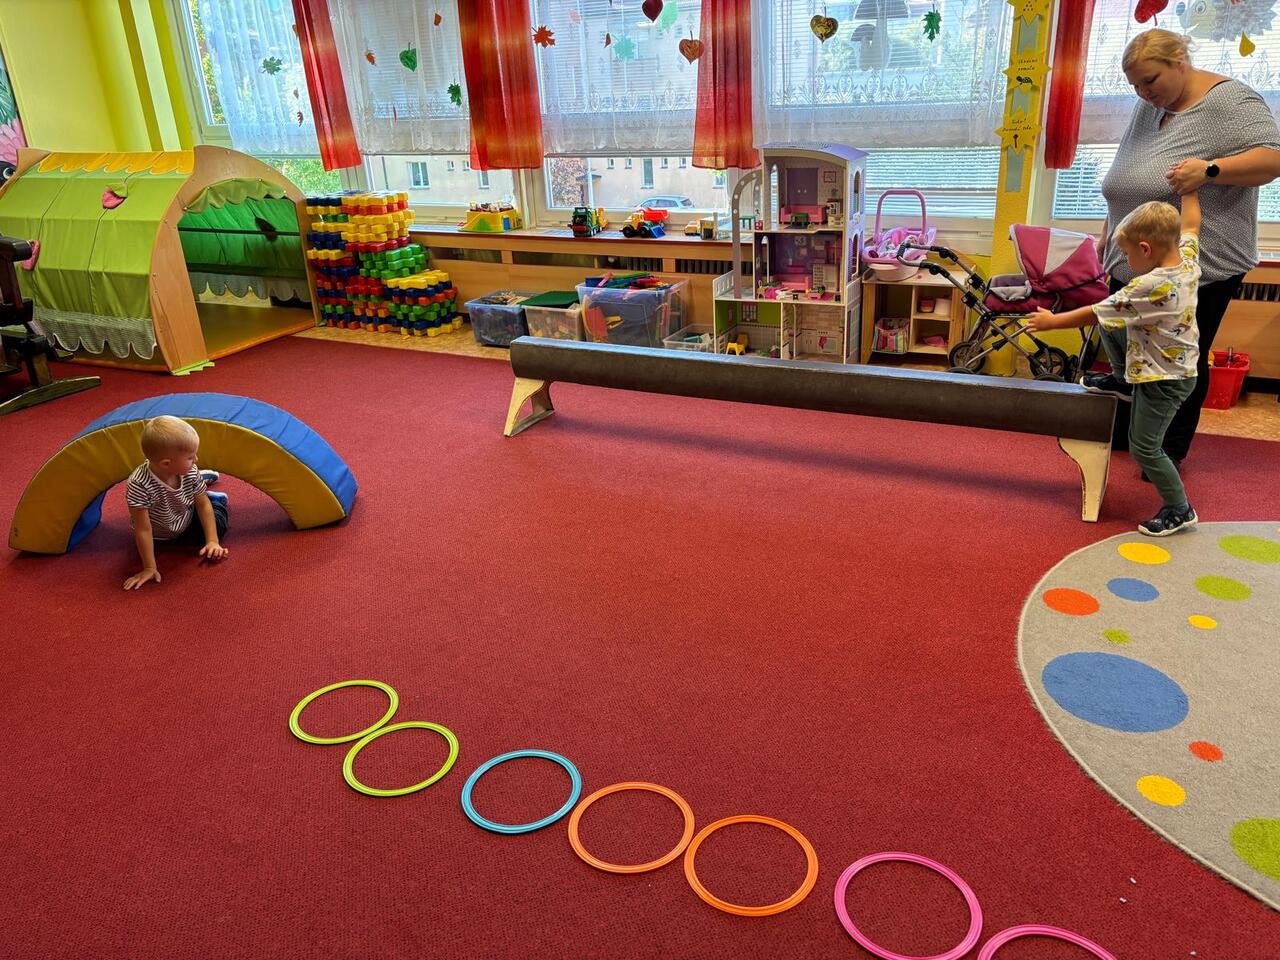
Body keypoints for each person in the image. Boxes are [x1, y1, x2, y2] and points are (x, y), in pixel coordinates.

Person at [1097, 28, 1280, 467]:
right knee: (1132, 352)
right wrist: (1109, 228)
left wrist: (1211, 170)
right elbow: (1128, 174)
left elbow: (1274, 159)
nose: (1143, 93)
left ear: (1180, 59)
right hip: (1134, 255)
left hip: (1197, 262)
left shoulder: (1230, 101)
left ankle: (1165, 451)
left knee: (1175, 360)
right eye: (1135, 85)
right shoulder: (1150, 105)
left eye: (1150, 80)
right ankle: (1129, 434)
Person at [1030, 191, 1201, 537]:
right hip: (1165, 367)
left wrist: (1051, 322)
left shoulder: (1150, 285)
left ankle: (1179, 508)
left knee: (1145, 448)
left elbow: (1094, 312)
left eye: (1127, 253)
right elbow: (1192, 226)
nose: (1125, 260)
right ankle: (1122, 379)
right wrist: (1189, 191)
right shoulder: (1187, 261)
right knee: (1113, 320)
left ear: (1146, 249)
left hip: (1163, 380)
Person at [123, 415, 229, 590]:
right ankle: (200, 486)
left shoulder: (190, 471)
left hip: (185, 516)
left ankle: (211, 495)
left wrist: (212, 541)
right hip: (162, 529)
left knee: (217, 525)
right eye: (190, 457)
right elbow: (143, 528)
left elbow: (203, 505)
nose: (196, 460)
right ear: (166, 464)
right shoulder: (138, 485)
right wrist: (149, 567)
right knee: (172, 542)